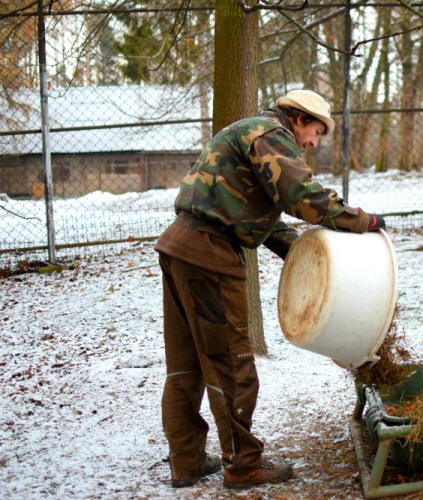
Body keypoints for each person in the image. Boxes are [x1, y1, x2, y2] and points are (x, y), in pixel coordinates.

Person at [154, 89, 385, 489]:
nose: (313, 143)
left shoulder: (249, 132)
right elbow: (301, 196)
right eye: (315, 131)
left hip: (179, 246)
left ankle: (187, 461)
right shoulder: (271, 134)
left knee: (186, 365)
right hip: (209, 256)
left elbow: (258, 213)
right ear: (298, 119)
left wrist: (304, 257)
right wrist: (361, 220)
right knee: (232, 365)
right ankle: (243, 465)